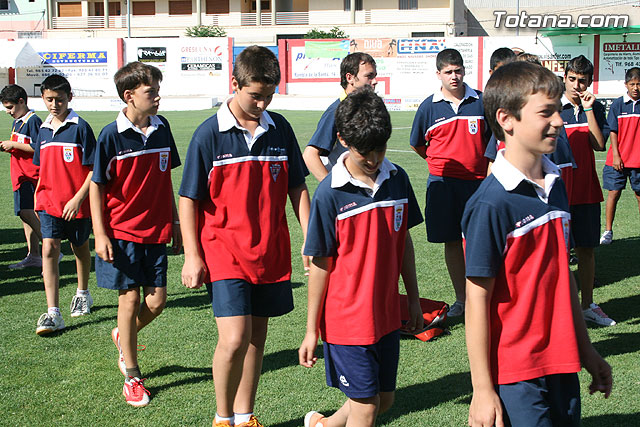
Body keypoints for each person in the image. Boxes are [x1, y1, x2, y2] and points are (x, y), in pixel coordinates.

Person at [463, 61, 612, 427]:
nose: (559, 121)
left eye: (559, 109)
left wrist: (586, 350)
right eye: (546, 112)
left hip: (562, 360)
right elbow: (476, 299)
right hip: (517, 370)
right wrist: (482, 389)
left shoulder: (556, 184)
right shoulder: (490, 203)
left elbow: (564, 278)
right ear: (507, 119)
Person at [179, 45, 310, 427]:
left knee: (256, 337)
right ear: (234, 84)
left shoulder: (279, 127)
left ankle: (245, 416)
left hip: (270, 250)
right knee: (234, 338)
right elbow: (189, 198)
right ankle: (222, 418)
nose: (262, 103)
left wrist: (308, 237)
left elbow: (297, 188)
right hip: (224, 252)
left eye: (269, 96)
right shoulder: (209, 134)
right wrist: (192, 254)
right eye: (255, 95)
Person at [299, 86, 424, 427]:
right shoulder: (329, 194)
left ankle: (323, 425)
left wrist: (413, 300)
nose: (373, 159)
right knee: (366, 408)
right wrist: (312, 330)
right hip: (346, 321)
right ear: (341, 139)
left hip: (385, 314)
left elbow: (404, 245)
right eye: (363, 151)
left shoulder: (397, 179)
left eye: (379, 149)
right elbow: (321, 264)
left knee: (383, 401)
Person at [90, 62, 182, 407]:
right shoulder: (110, 135)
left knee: (157, 302)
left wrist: (173, 221)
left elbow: (165, 179)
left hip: (157, 231)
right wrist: (100, 234)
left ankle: (122, 336)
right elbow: (98, 186)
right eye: (151, 92)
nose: (158, 97)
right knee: (128, 300)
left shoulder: (163, 128)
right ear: (129, 96)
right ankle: (132, 375)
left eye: (157, 90)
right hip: (122, 233)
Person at [409, 48, 490, 317]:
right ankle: (462, 300)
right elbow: (418, 144)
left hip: (479, 184)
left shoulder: (481, 101)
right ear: (438, 74)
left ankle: (487, 297)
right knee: (452, 240)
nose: (454, 76)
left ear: (464, 71)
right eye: (448, 72)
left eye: (458, 71)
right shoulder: (428, 107)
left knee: (482, 241)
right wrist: (438, 164)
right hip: (443, 184)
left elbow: (494, 140)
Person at [33, 74, 95, 334]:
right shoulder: (43, 129)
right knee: (49, 249)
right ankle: (53, 312)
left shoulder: (81, 127)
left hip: (76, 205)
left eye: (59, 99)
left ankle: (83, 292)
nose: (54, 105)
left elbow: (94, 169)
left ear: (70, 97)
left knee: (79, 248)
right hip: (49, 203)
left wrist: (78, 198)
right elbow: (42, 168)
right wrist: (38, 195)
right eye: (49, 99)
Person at [561, 55, 615, 327]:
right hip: (558, 193)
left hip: (586, 191)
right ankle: (559, 310)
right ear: (564, 78)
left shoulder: (596, 107)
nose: (577, 86)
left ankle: (587, 306)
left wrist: (590, 109)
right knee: (557, 255)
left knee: (586, 250)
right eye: (572, 79)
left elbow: (598, 144)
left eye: (582, 81)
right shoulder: (553, 108)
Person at [302, 52, 378, 182]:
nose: (375, 81)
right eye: (369, 76)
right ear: (350, 78)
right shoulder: (336, 111)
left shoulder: (366, 107)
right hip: (349, 194)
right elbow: (310, 155)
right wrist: (331, 189)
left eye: (375, 76)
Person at [0, 84, 43, 269]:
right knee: (26, 217)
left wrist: (14, 145)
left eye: (10, 107)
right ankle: (33, 255)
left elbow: (38, 147)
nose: (8, 112)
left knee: (26, 212)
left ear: (21, 101)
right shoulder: (17, 121)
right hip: (19, 174)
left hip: (30, 175)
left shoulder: (32, 120)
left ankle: (52, 247)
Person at [600, 67, 640, 245]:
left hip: (638, 160)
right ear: (626, 85)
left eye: (639, 84)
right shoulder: (618, 104)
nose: (636, 88)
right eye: (632, 84)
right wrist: (616, 155)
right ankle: (608, 231)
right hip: (618, 160)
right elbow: (613, 131)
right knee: (613, 193)